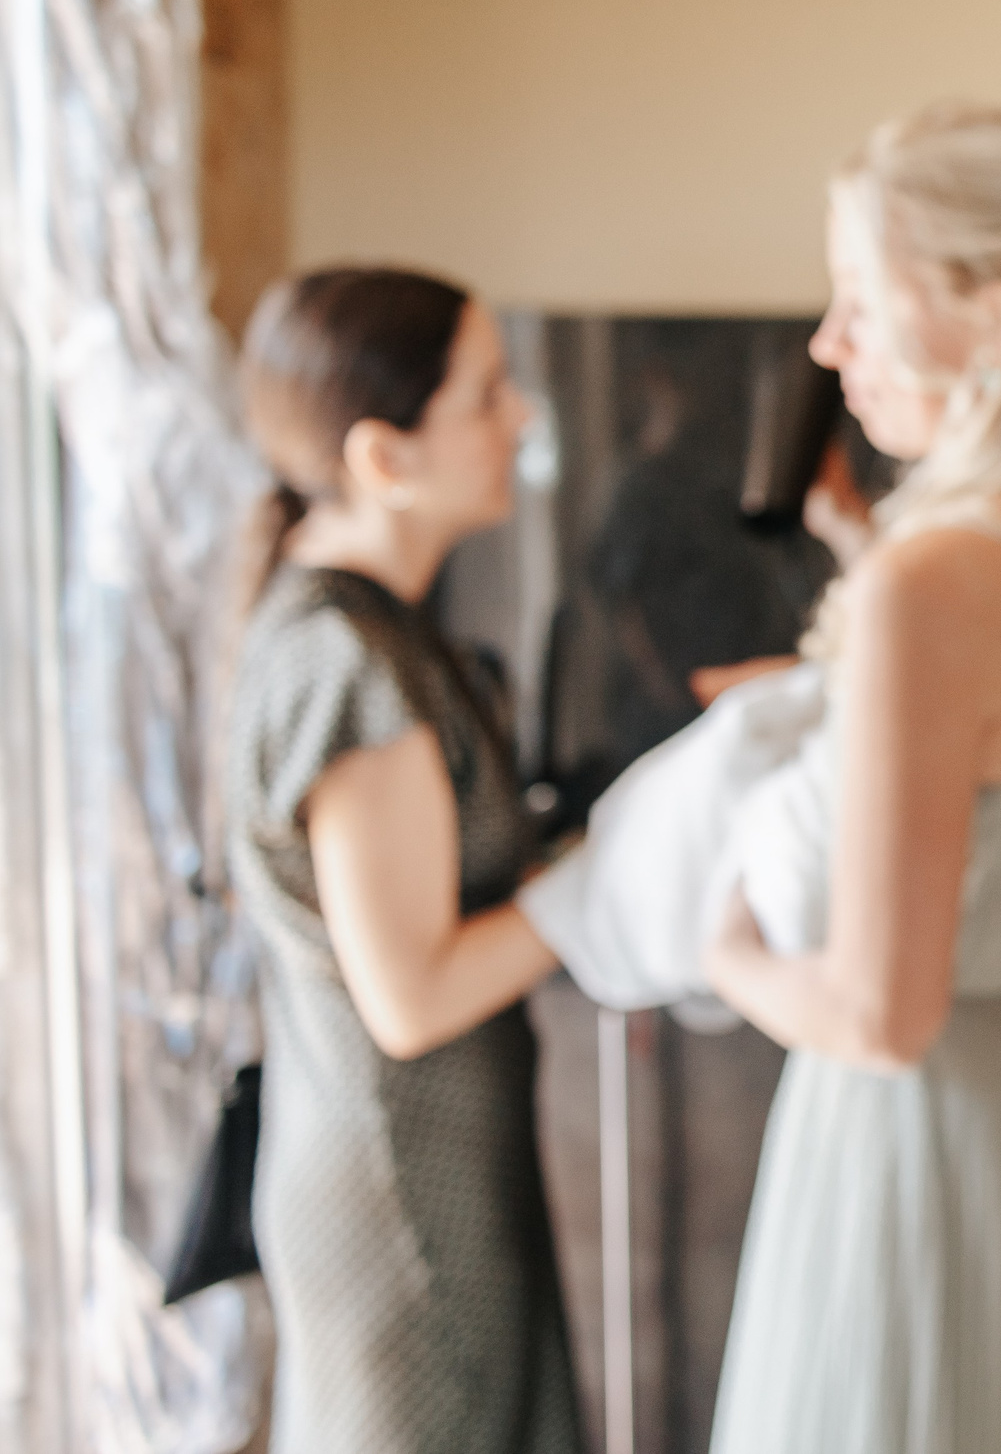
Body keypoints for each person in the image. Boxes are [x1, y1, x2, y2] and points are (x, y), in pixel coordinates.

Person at [630, 106, 1001, 1451]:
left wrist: (720, 941)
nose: (825, 343)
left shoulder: (939, 576)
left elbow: (877, 1014)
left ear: (994, 308)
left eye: (858, 299)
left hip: (939, 1148)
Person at [224, 267, 578, 1454]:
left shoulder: (378, 632)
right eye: (485, 396)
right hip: (399, 1202)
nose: (519, 416)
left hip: (439, 1176)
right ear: (384, 457)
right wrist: (608, 879)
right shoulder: (346, 663)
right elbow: (411, 995)